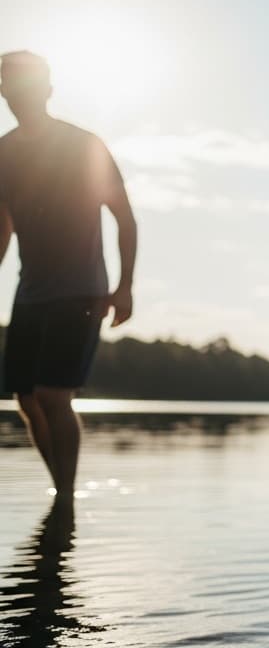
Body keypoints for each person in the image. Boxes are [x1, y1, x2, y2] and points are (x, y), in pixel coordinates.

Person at [0, 50, 138, 501]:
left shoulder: (83, 145)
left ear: (48, 90)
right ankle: (60, 491)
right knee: (25, 398)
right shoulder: (4, 153)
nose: (17, 95)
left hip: (80, 290)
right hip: (30, 293)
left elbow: (124, 217)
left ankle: (65, 496)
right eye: (9, 85)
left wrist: (124, 287)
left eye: (27, 85)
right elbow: (3, 224)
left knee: (52, 395)